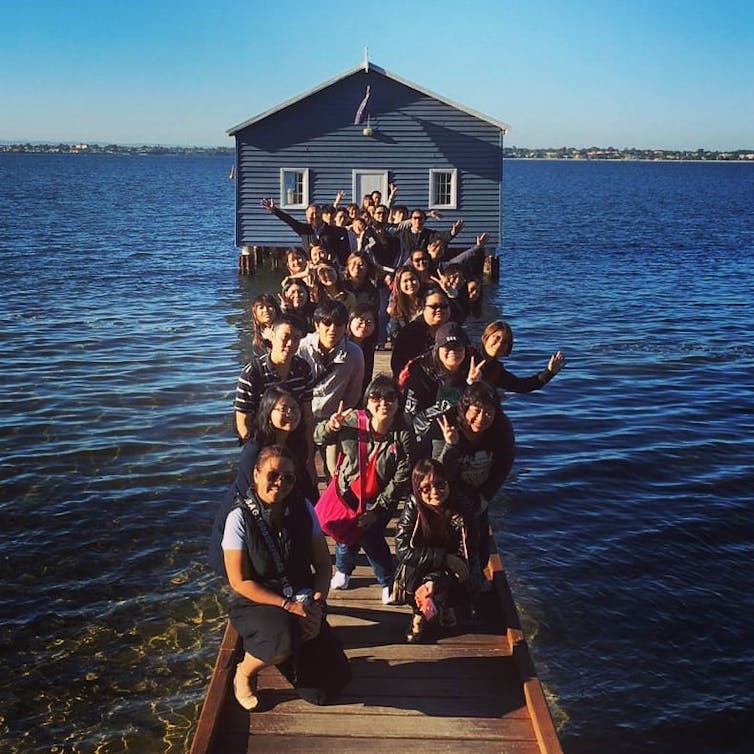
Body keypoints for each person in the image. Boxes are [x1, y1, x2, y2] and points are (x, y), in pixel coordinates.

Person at [214, 445, 334, 710]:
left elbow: (324, 564)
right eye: (273, 474)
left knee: (327, 690)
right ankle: (245, 671)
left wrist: (316, 604)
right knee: (284, 639)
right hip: (258, 598)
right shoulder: (239, 517)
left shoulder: (303, 508)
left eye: (289, 477)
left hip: (300, 596)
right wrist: (286, 605)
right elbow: (239, 581)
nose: (280, 482)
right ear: (256, 474)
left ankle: (284, 649)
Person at [313, 375, 414, 604]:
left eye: (390, 397)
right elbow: (318, 436)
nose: (383, 403)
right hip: (348, 493)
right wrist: (331, 426)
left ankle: (387, 581)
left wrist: (377, 511)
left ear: (398, 402)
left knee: (372, 539)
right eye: (376, 397)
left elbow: (399, 480)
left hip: (378, 499)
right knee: (344, 537)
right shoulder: (351, 420)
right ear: (367, 402)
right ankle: (343, 571)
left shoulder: (403, 434)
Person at [429, 382, 515, 576]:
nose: (481, 418)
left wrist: (485, 496)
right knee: (446, 538)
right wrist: (450, 445)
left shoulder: (501, 428)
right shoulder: (446, 424)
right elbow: (436, 471)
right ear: (464, 408)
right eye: (475, 411)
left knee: (480, 540)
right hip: (446, 492)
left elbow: (504, 465)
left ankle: (477, 575)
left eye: (488, 412)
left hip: (479, 490)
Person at [395, 459, 478, 642]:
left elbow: (470, 549)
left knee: (465, 574)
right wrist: (442, 559)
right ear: (417, 490)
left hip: (453, 563)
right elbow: (403, 549)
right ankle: (418, 614)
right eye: (426, 488)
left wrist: (436, 577)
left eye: (440, 484)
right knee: (410, 575)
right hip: (424, 562)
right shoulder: (413, 505)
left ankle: (447, 607)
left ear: (448, 483)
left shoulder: (463, 507)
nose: (435, 492)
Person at [297, 300, 364, 476]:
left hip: (333, 419)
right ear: (317, 324)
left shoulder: (354, 353)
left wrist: (340, 416)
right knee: (303, 468)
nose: (332, 329)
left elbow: (354, 391)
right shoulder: (301, 348)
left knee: (335, 471)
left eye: (339, 324)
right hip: (303, 418)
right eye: (327, 323)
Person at [400, 322, 484, 449]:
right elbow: (412, 418)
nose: (453, 352)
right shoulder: (421, 371)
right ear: (437, 348)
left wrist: (474, 386)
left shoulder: (473, 367)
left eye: (458, 347)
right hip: (425, 431)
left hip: (459, 427)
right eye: (447, 347)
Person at [233, 387, 319, 505]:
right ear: (269, 413)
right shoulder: (254, 450)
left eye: (294, 408)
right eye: (283, 409)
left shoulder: (298, 442)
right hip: (250, 508)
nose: (290, 414)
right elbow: (247, 490)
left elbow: (302, 482)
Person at [234, 317, 313, 444]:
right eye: (285, 337)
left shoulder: (303, 369)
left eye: (296, 338)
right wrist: (256, 452)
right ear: (272, 336)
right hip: (261, 441)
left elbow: (307, 414)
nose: (290, 343)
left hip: (294, 438)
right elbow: (243, 421)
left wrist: (309, 455)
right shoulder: (252, 373)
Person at [479, 320, 566, 392]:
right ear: (485, 338)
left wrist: (549, 372)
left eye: (505, 341)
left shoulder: (496, 370)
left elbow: (522, 386)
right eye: (496, 338)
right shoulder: (468, 354)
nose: (499, 344)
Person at [390, 287, 452, 378]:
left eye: (444, 306)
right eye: (434, 306)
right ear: (423, 308)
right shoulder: (410, 332)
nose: (439, 309)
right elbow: (397, 364)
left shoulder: (454, 331)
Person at [260, 198, 348, 261]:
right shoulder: (304, 230)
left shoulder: (333, 231)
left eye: (317, 213)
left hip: (329, 268)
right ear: (306, 217)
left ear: (321, 214)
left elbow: (342, 252)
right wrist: (274, 210)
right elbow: (289, 220)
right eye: (311, 214)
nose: (314, 216)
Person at [347, 304, 378, 399]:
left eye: (369, 323)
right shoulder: (341, 345)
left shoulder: (368, 348)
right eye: (360, 321)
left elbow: (367, 378)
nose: (364, 326)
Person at [386, 265, 423, 342]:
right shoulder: (396, 307)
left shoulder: (429, 300)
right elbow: (394, 332)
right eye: (405, 281)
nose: (410, 283)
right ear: (399, 285)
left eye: (413, 279)